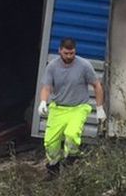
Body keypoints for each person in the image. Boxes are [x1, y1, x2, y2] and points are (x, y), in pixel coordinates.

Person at [37, 37, 106, 178]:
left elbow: (97, 85)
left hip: (78, 108)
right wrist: (43, 102)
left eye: (72, 53)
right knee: (50, 142)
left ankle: (72, 158)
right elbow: (46, 87)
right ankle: (53, 168)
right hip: (58, 108)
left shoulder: (84, 65)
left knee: (72, 134)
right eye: (66, 53)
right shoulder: (52, 67)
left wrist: (99, 108)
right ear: (59, 51)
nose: (69, 56)